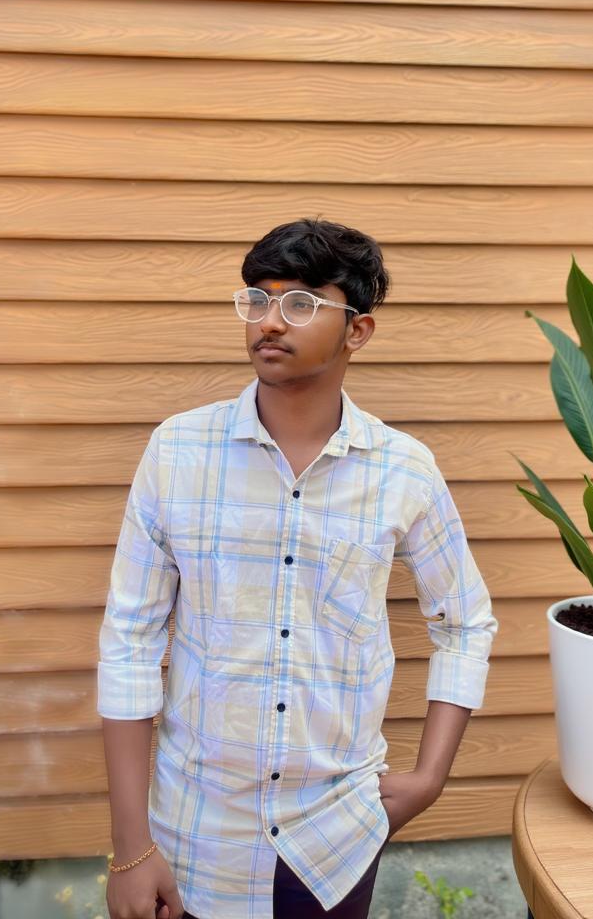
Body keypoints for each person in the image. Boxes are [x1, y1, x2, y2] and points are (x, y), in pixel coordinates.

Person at [97, 217, 499, 919]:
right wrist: (132, 849)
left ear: (358, 331)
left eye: (301, 302)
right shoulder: (178, 453)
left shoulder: (403, 470)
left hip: (335, 836)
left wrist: (431, 778)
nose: (269, 320)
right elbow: (128, 643)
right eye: (257, 298)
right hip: (196, 832)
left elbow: (465, 622)